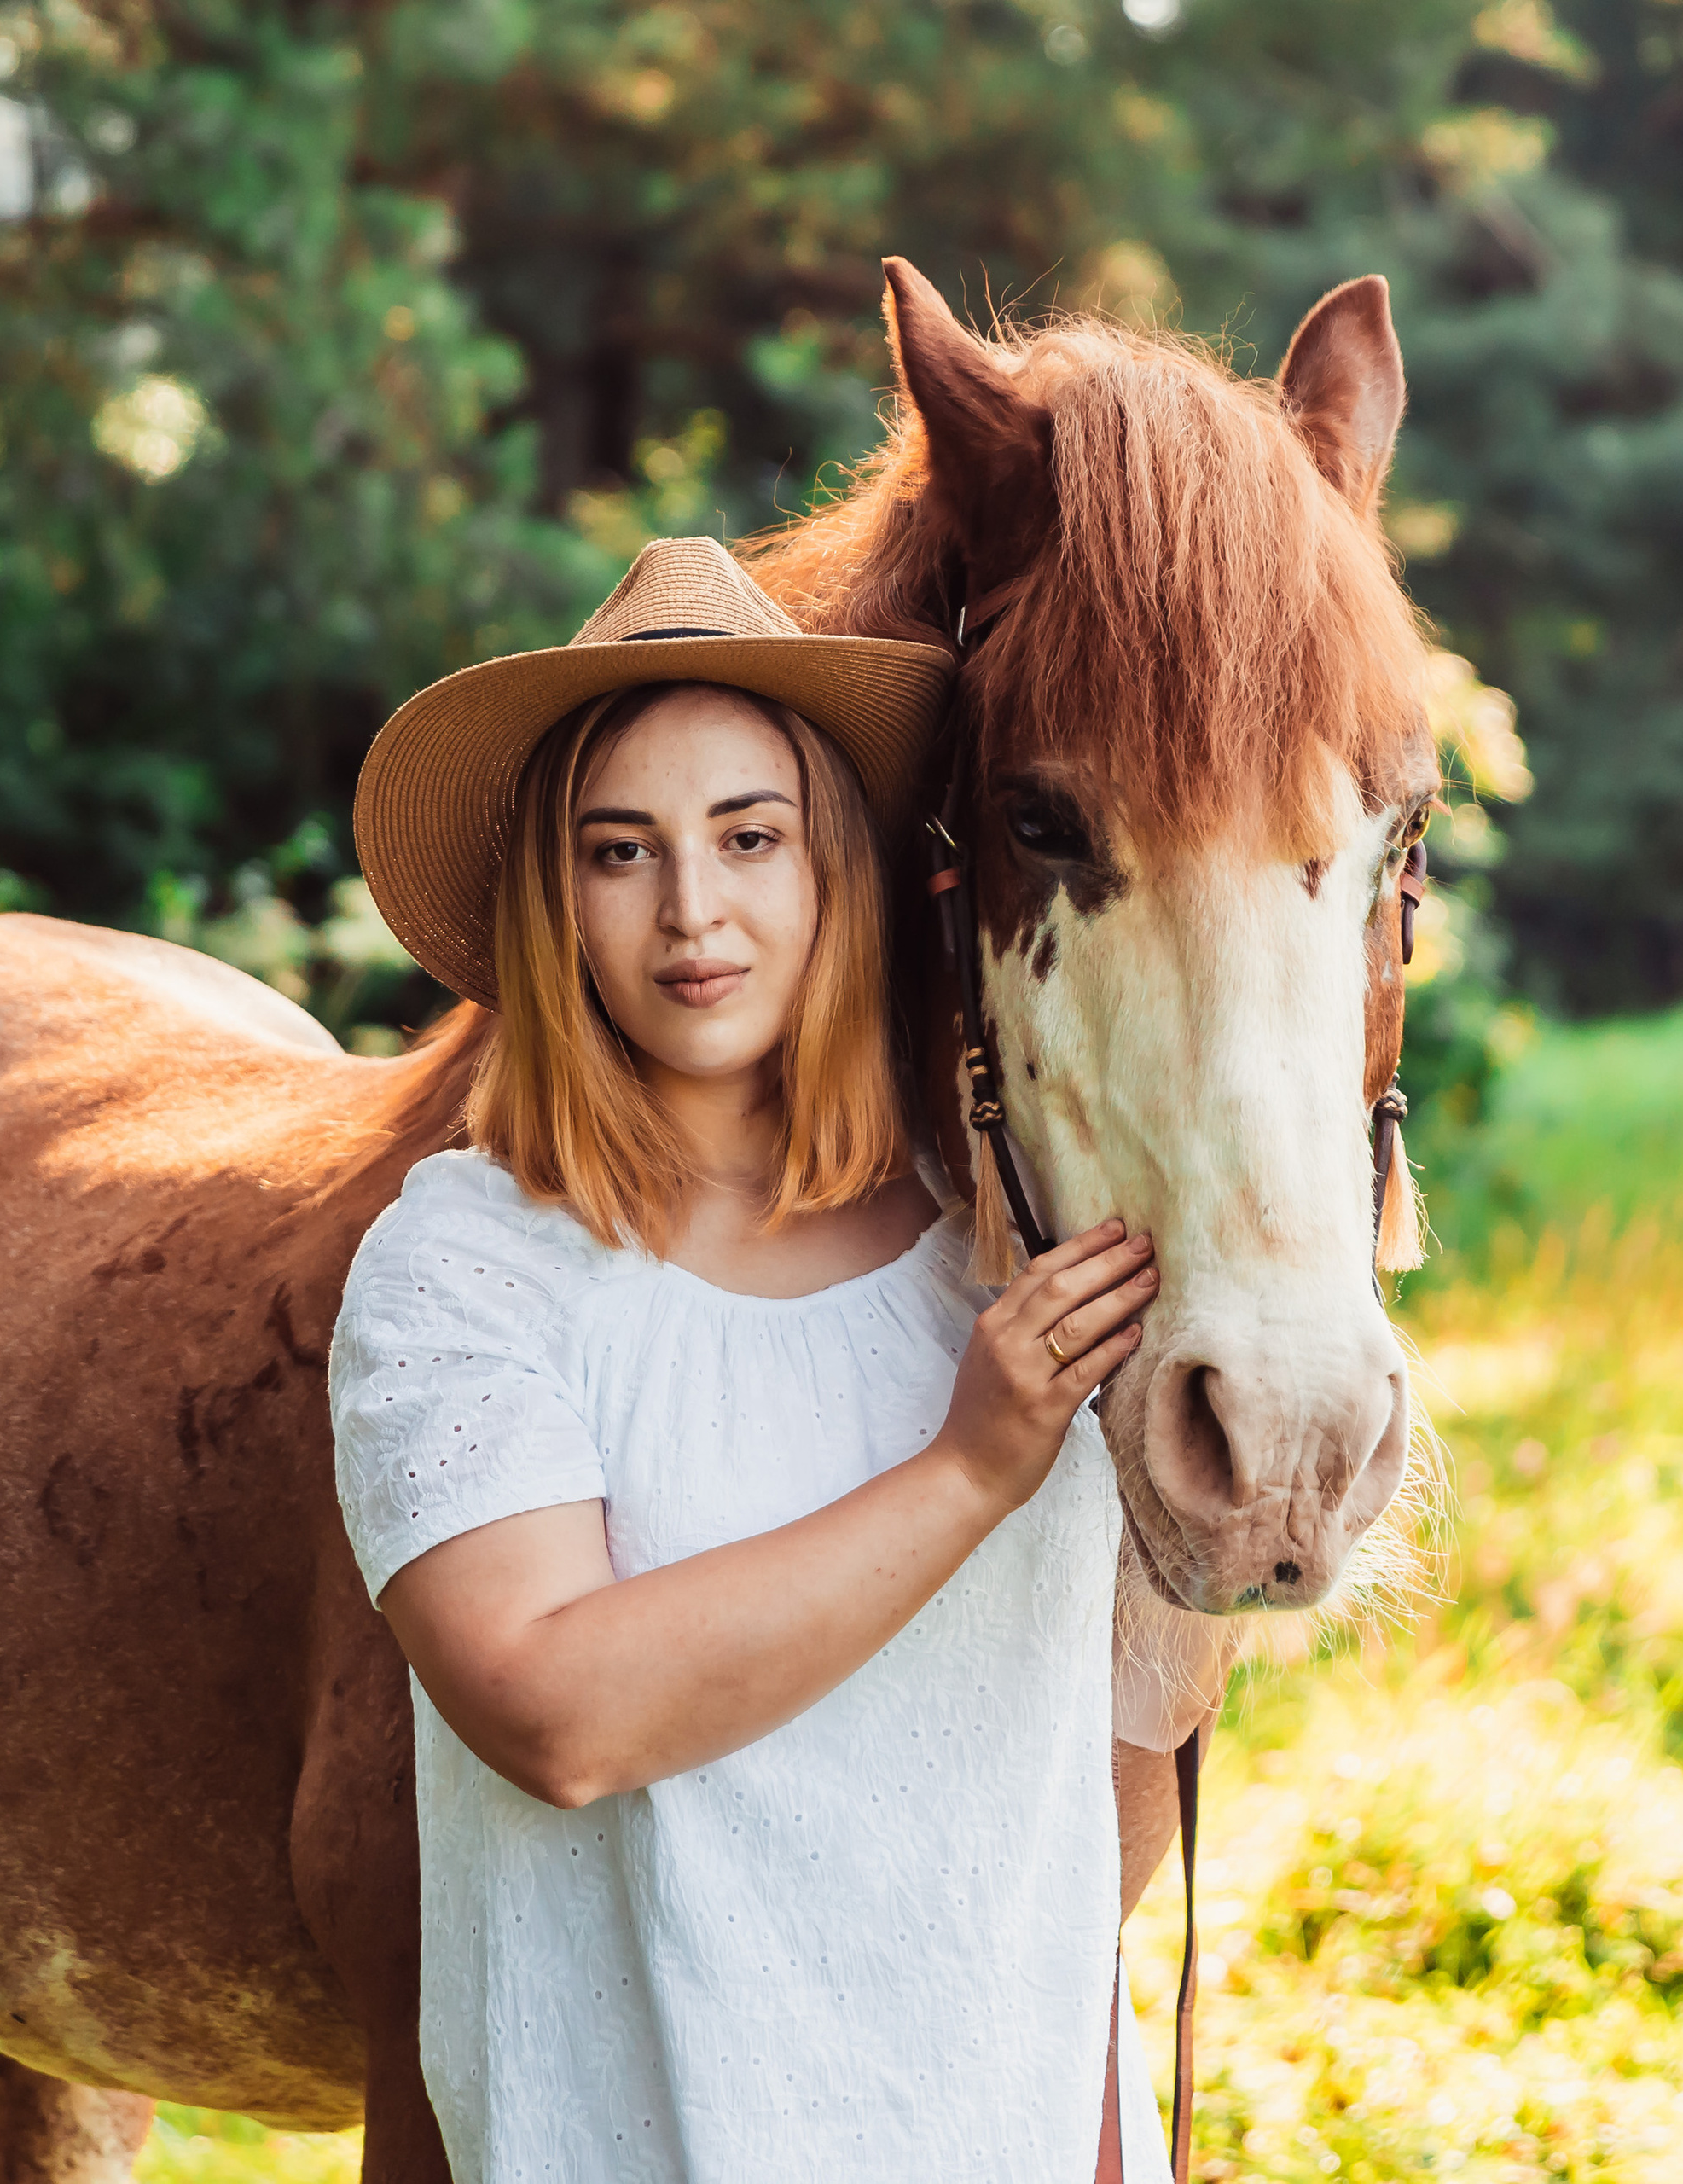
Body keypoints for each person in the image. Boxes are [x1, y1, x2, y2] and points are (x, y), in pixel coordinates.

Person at [332, 537, 1172, 2182]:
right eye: (620, 850)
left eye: (749, 837)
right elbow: (553, 1713)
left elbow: (1095, 1757)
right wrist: (964, 1473)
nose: (692, 911)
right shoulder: (467, 1270)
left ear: (834, 872)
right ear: (553, 899)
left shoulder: (997, 1248)